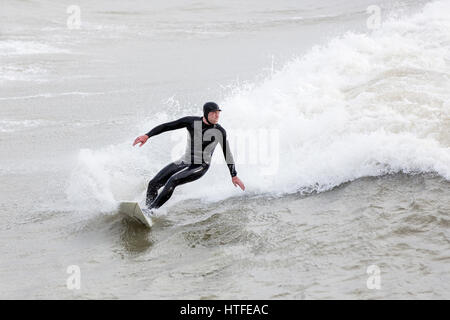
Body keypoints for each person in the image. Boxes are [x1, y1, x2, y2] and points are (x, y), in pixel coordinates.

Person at [133, 102, 245, 212]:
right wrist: (147, 135)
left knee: (173, 180)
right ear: (206, 113)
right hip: (185, 160)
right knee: (153, 183)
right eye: (213, 113)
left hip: (201, 165)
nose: (217, 115)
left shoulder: (219, 131)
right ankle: (147, 210)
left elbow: (227, 153)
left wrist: (234, 175)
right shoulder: (191, 122)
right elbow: (167, 126)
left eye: (218, 113)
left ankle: (151, 211)